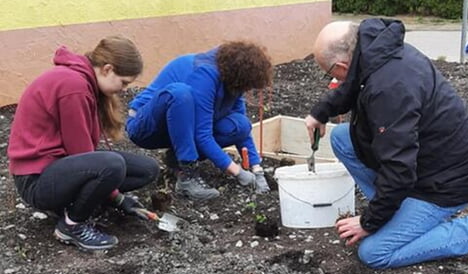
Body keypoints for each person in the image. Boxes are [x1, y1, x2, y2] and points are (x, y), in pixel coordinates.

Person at [304, 19, 468, 270]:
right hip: (430, 159)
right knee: (342, 138)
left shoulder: (389, 89)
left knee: (374, 252)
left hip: (448, 182)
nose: (332, 79)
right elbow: (353, 81)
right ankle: (397, 211)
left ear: (341, 65)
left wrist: (369, 223)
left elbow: (400, 170)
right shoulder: (379, 51)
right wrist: (321, 112)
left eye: (329, 74)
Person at [8, 36, 160, 251]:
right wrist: (116, 196)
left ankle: (78, 202)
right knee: (112, 164)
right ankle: (72, 224)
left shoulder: (84, 82)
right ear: (107, 69)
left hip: (56, 168)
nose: (124, 89)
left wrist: (117, 199)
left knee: (146, 169)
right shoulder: (74, 86)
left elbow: (84, 154)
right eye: (124, 82)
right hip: (36, 180)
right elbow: (80, 151)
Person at [126, 41, 272, 201]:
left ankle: (176, 158)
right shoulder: (205, 75)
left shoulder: (232, 80)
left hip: (178, 127)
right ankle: (187, 176)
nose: (247, 90)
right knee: (180, 93)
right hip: (146, 126)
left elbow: (243, 127)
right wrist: (236, 171)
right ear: (239, 75)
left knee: (240, 125)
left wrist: (257, 169)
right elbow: (202, 134)